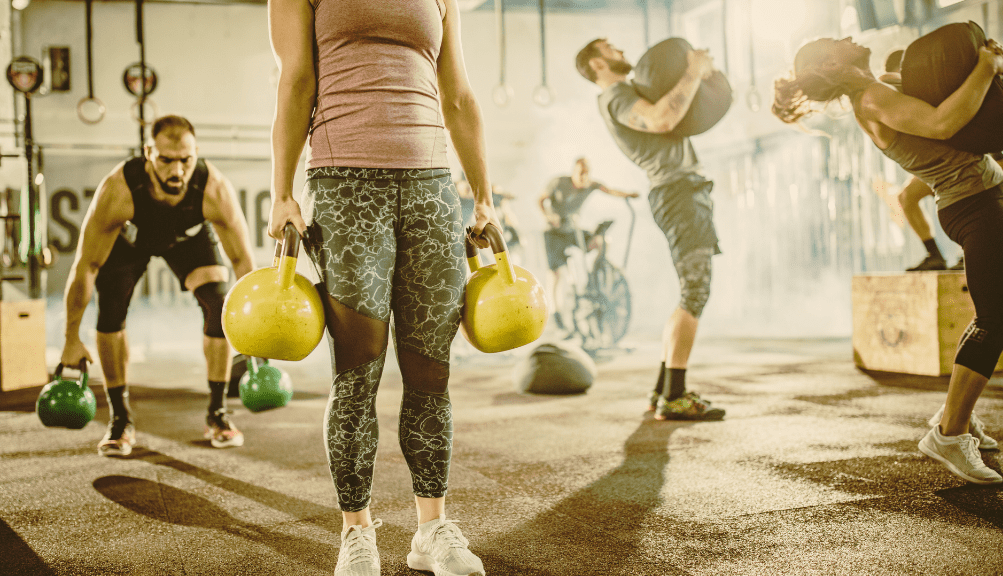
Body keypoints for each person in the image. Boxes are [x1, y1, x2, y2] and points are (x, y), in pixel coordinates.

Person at [268, 0, 497, 573]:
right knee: (358, 368)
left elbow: (460, 96)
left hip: (431, 186)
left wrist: (485, 196)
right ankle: (357, 531)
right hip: (346, 186)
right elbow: (296, 81)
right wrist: (282, 190)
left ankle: (432, 529)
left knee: (430, 368)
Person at [773, 36, 1003, 484]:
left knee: (991, 314)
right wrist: (986, 66)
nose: (849, 37)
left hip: (980, 196)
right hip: (972, 204)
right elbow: (944, 123)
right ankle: (949, 434)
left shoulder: (880, 84)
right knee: (998, 320)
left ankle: (955, 413)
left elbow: (947, 92)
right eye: (837, 40)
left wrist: (978, 63)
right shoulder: (872, 99)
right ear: (832, 61)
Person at [61, 115, 256, 457]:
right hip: (130, 241)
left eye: (186, 160)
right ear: (148, 153)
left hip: (188, 240)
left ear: (197, 154)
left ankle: (218, 414)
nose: (177, 171)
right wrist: (70, 339)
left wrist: (256, 323)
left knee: (218, 302)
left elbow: (242, 260)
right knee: (110, 308)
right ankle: (121, 420)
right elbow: (86, 266)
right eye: (166, 160)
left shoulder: (213, 189)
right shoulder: (118, 189)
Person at [575, 38, 726, 422]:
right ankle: (674, 396)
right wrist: (693, 69)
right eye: (612, 49)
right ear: (597, 63)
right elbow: (662, 120)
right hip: (678, 193)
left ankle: (663, 391)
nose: (622, 52)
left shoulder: (622, 94)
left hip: (681, 192)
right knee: (695, 291)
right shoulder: (616, 97)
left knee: (690, 292)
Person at [878, 48, 1003, 272]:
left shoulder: (937, 87)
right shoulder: (903, 104)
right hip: (946, 171)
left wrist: (998, 158)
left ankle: (971, 254)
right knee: (906, 196)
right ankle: (935, 255)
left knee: (971, 207)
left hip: (981, 166)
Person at [539, 157, 638, 330]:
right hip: (554, 233)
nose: (583, 177)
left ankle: (597, 274)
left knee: (601, 241)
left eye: (586, 174)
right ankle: (556, 314)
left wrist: (628, 195)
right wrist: (549, 216)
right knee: (555, 275)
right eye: (580, 173)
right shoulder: (558, 182)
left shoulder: (592, 185)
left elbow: (610, 190)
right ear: (573, 172)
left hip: (573, 230)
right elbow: (541, 199)